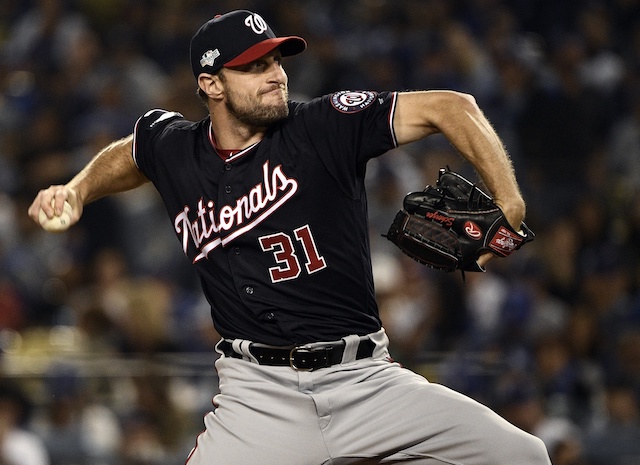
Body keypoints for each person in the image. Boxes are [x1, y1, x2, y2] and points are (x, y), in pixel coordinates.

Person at [29, 10, 551, 465]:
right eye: (255, 66)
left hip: (365, 381)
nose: (276, 75)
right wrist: (77, 190)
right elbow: (134, 152)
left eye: (277, 61)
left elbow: (451, 106)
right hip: (257, 397)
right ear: (211, 83)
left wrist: (509, 200)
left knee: (523, 456)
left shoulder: (323, 125)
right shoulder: (176, 148)